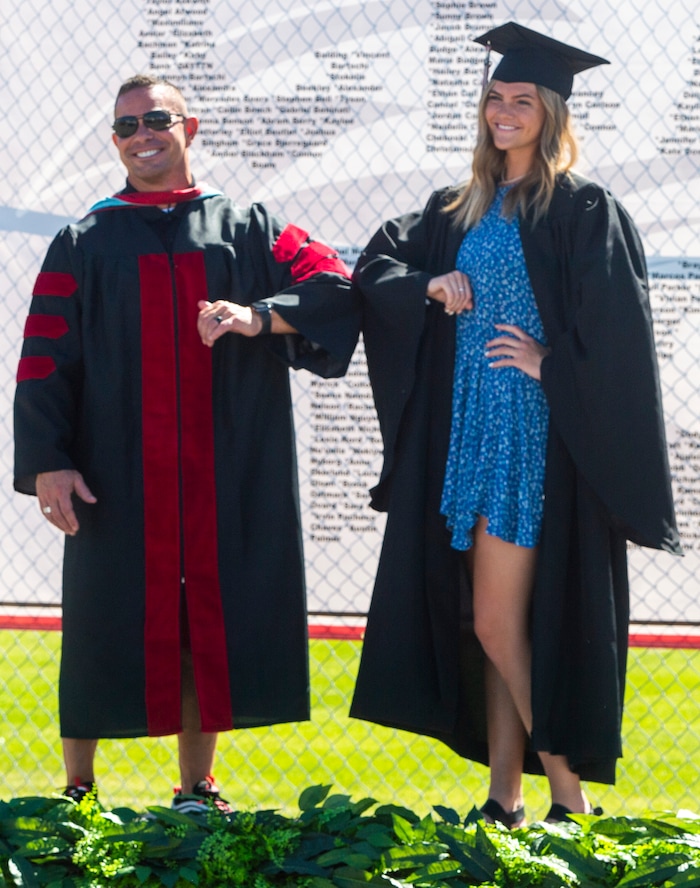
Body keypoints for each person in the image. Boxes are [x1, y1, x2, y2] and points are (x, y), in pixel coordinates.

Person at [349, 22, 681, 826]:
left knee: (498, 623)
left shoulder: (580, 208)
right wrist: (433, 285)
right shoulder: (458, 207)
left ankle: (569, 800)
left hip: (527, 433)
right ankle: (505, 798)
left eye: (522, 101)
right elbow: (375, 270)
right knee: (486, 623)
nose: (504, 112)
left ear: (552, 112)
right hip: (467, 429)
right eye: (495, 98)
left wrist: (549, 364)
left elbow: (618, 336)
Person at [14, 73, 359, 812]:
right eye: (126, 126)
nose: (142, 135)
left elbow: (335, 287)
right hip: (114, 465)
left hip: (225, 460)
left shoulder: (248, 227)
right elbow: (46, 354)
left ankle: (196, 786)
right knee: (103, 612)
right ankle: (78, 788)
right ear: (115, 140)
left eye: (156, 120)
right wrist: (48, 459)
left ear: (189, 127)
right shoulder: (86, 239)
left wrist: (257, 314)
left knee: (208, 611)